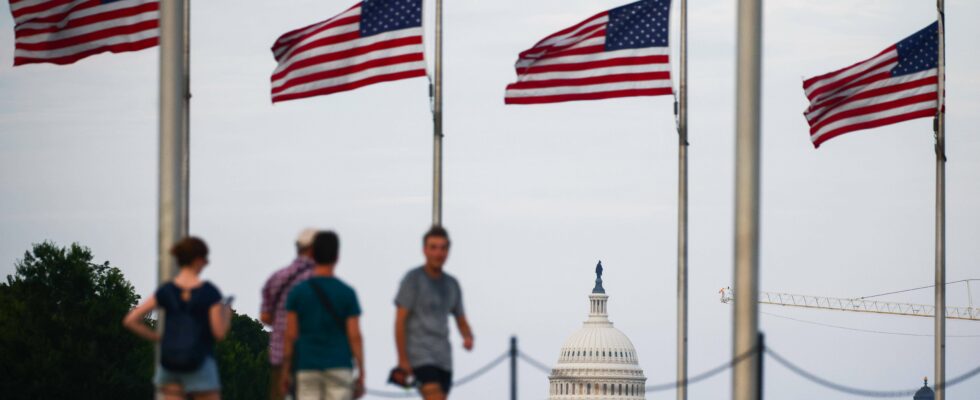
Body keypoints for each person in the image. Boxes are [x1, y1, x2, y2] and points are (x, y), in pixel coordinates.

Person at [123, 236, 232, 400]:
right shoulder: (209, 292)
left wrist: (158, 337)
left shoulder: (167, 290)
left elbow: (131, 320)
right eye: (204, 259)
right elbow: (219, 333)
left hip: (170, 364)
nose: (206, 263)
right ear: (197, 260)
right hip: (200, 362)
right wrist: (226, 314)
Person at [282, 231, 365, 400]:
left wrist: (286, 370)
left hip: (306, 366)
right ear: (336, 257)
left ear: (312, 254)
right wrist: (362, 372)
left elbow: (290, 335)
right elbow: (355, 336)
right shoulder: (347, 293)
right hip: (339, 366)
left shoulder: (297, 293)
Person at [394, 226, 474, 400]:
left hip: (444, 360)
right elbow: (400, 321)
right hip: (420, 357)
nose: (439, 253)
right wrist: (403, 360)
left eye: (443, 248)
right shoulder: (412, 280)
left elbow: (461, 319)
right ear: (424, 250)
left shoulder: (452, 284)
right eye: (433, 247)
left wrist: (468, 336)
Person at [261, 228, 317, 400]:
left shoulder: (277, 277)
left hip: (279, 356)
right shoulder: (319, 279)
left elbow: (265, 317)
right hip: (310, 356)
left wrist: (281, 324)